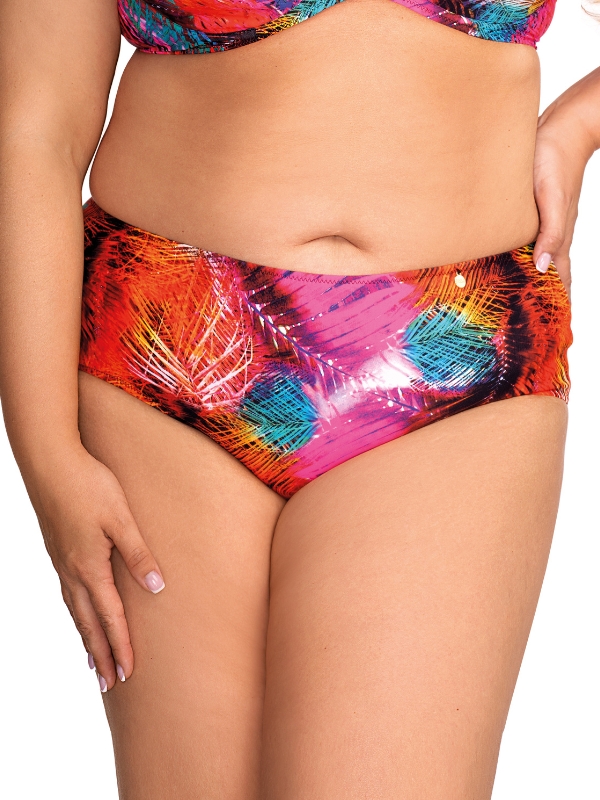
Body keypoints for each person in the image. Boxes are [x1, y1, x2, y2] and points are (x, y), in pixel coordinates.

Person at [0, 0, 597, 797]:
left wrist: (579, 124)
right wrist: (47, 455)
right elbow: (35, 128)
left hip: (456, 349)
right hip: (167, 337)